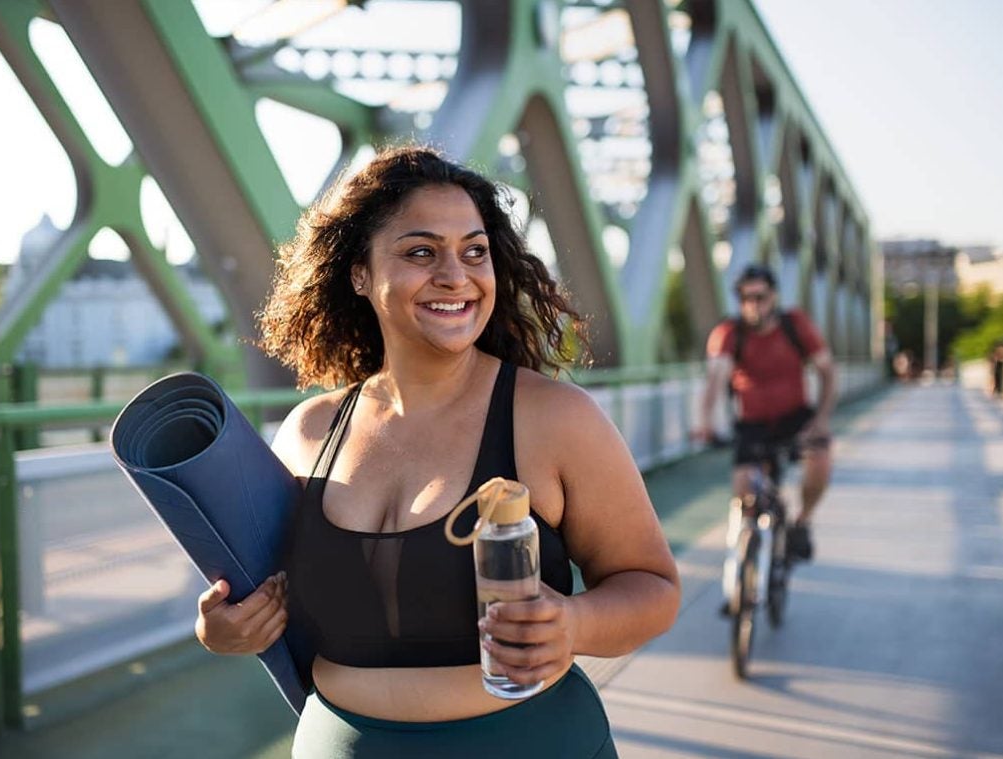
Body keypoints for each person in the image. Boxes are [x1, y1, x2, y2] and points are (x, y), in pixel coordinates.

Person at [194, 145, 680, 757]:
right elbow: (269, 598)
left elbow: (654, 587)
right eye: (421, 252)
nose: (456, 275)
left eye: (474, 252)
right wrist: (225, 629)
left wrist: (575, 623)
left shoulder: (555, 420)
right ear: (360, 274)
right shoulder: (308, 432)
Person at [694, 263, 836, 563]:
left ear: (774, 296)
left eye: (760, 297)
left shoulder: (795, 324)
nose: (753, 306)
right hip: (753, 423)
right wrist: (706, 423)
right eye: (746, 299)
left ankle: (803, 522)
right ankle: (743, 575)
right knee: (744, 494)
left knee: (820, 462)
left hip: (796, 416)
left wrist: (821, 420)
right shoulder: (729, 333)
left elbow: (827, 372)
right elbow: (715, 381)